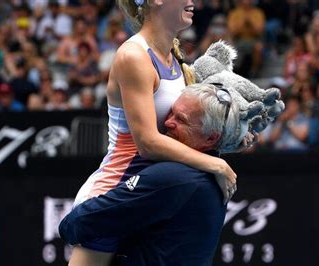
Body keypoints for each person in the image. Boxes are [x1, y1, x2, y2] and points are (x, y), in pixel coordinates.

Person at [68, 0, 236, 264]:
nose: (193, 1)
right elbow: (147, 142)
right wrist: (215, 164)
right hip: (114, 194)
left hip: (152, 194)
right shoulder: (133, 56)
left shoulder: (175, 58)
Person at [60, 83, 242, 266]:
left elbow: (83, 220)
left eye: (181, 120)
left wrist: (67, 225)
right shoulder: (215, 175)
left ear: (211, 138)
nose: (167, 122)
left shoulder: (173, 176)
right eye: (171, 112)